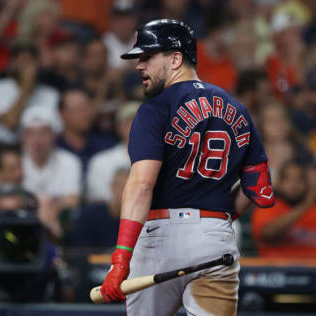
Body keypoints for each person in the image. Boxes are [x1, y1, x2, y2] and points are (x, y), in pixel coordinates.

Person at [99, 19, 275, 316]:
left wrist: (121, 258)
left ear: (175, 58)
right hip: (215, 237)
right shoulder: (238, 109)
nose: (139, 65)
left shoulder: (155, 109)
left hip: (159, 238)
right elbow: (259, 190)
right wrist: (211, 223)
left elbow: (142, 185)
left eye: (147, 56)